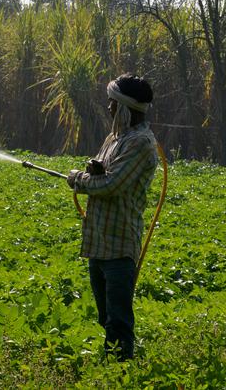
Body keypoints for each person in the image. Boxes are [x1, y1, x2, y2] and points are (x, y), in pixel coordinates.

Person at [66, 73, 158, 361]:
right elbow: (104, 176)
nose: (108, 108)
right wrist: (93, 172)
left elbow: (111, 185)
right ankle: (116, 364)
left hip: (119, 246)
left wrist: (78, 179)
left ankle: (120, 370)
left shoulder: (141, 143)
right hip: (99, 243)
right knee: (106, 317)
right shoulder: (114, 138)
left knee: (118, 321)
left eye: (112, 103)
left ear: (124, 107)